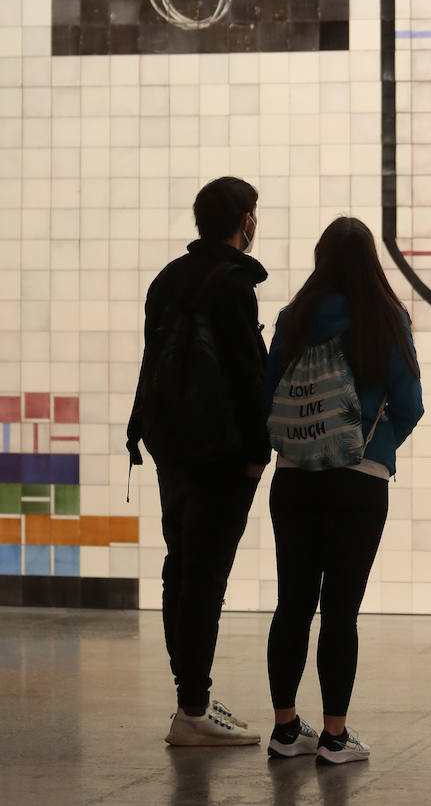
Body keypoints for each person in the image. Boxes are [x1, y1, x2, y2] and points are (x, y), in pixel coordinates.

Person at [262, 217, 424, 765]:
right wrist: (372, 446)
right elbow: (411, 405)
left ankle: (285, 730)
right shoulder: (385, 318)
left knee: (292, 603)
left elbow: (267, 395)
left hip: (294, 477)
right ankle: (335, 736)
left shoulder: (295, 316)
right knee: (340, 610)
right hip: (359, 483)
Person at [126, 176, 270, 747]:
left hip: (170, 444)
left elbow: (152, 359)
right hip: (222, 452)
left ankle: (191, 699)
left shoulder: (168, 278)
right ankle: (192, 710)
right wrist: (258, 451)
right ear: (244, 220)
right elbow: (247, 373)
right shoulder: (234, 284)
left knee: (180, 566)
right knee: (206, 576)